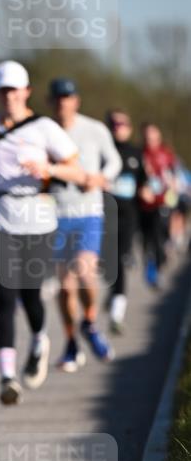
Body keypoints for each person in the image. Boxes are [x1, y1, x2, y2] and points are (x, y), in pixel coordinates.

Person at [0, 61, 84, 405]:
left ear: (27, 92)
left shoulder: (44, 128)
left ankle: (39, 340)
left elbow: (78, 172)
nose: (8, 96)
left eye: (14, 90)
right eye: (2, 91)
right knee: (4, 297)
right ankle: (7, 377)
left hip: (37, 217)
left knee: (30, 295)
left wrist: (48, 168)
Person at [48, 78, 122, 370]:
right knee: (65, 288)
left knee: (85, 271)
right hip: (55, 215)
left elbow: (114, 161)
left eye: (67, 97)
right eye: (58, 98)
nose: (63, 103)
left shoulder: (94, 129)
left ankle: (89, 322)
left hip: (88, 212)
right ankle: (70, 343)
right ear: (50, 102)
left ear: (76, 100)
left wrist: (101, 178)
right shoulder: (44, 131)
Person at [105, 110, 145, 333]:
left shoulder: (136, 153)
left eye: (122, 124)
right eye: (114, 124)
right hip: (105, 213)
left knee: (119, 259)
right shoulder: (104, 151)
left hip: (129, 215)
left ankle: (116, 312)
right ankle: (113, 293)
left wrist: (147, 191)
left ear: (129, 128)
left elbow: (144, 182)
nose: (118, 128)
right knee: (109, 261)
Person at [138, 123, 179, 288]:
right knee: (147, 238)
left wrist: (173, 188)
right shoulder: (140, 154)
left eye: (153, 135)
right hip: (144, 204)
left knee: (159, 235)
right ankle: (151, 264)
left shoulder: (166, 153)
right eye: (147, 136)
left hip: (162, 201)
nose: (151, 139)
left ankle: (158, 266)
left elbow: (173, 174)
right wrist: (141, 189)